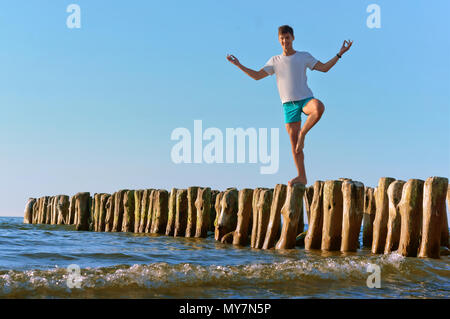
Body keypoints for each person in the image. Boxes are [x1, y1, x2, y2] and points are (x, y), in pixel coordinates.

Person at [227, 25, 353, 186]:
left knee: (319, 108)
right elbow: (257, 76)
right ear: (279, 40)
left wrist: (339, 54)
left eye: (287, 38)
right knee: (295, 147)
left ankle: (303, 134)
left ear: (293, 38)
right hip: (288, 105)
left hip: (306, 99)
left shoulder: (303, 56)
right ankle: (302, 176)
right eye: (282, 39)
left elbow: (324, 68)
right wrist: (239, 65)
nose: (285, 41)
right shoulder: (275, 61)